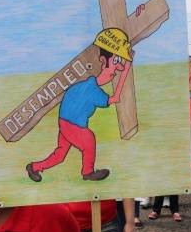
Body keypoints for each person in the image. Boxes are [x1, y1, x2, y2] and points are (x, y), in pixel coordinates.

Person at [27, 31, 135, 183]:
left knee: (60, 155)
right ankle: (88, 172)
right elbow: (115, 98)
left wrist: (125, 65)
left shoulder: (89, 86)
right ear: (103, 61)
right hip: (72, 124)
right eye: (116, 62)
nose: (118, 69)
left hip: (66, 121)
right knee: (88, 139)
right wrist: (128, 66)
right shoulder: (93, 90)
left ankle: (34, 167)